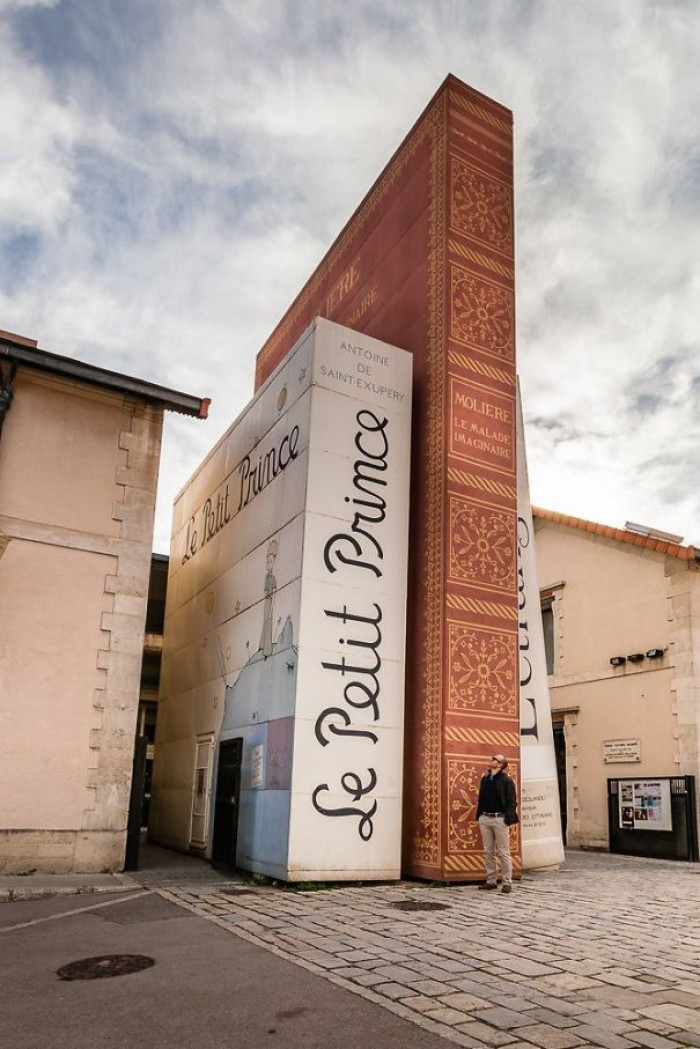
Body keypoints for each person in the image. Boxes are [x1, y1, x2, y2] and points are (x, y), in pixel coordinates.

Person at [475, 754, 518, 894]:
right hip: (485, 818)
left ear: (500, 765)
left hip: (499, 819)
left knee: (504, 851)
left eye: (495, 759)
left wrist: (507, 819)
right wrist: (480, 816)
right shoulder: (485, 779)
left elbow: (512, 802)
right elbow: (481, 798)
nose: (491, 760)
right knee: (488, 851)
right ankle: (491, 880)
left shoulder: (507, 781)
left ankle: (507, 882)